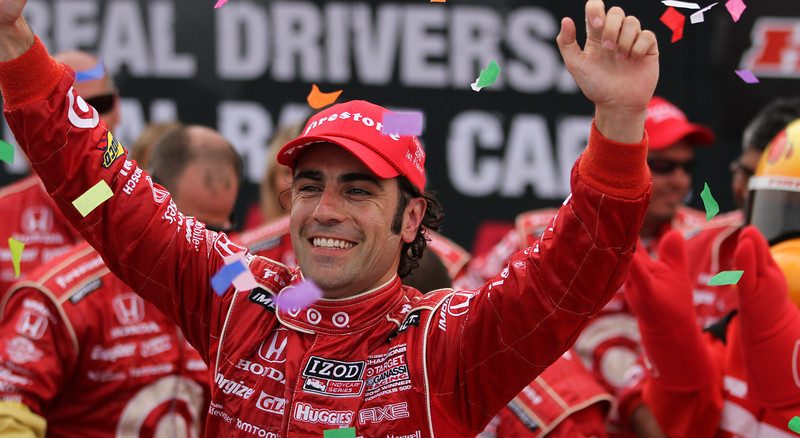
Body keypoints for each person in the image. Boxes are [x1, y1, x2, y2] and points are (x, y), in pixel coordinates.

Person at [0, 0, 657, 435]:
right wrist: (14, 43)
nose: (325, 210)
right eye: (309, 185)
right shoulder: (236, 300)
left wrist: (622, 123)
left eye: (359, 190)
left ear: (410, 218)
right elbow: (107, 197)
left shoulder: (445, 348)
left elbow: (575, 270)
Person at [0, 124, 242, 436]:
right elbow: (8, 414)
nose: (207, 246)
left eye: (222, 231)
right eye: (195, 228)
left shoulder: (235, 282)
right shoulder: (61, 295)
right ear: (153, 204)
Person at [624, 119, 800, 436]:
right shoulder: (732, 332)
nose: (785, 248)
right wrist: (671, 346)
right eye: (778, 214)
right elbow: (684, 423)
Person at [0, 49, 120, 295]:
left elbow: (209, 294)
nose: (84, 119)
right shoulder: (4, 212)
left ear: (117, 107)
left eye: (98, 104)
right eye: (63, 107)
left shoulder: (158, 200)